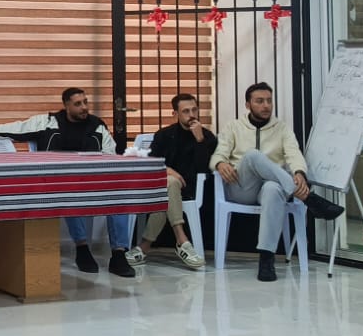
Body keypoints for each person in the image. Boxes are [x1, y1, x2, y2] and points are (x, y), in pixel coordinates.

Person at [0, 88, 135, 278]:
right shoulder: (48, 122)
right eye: (78, 104)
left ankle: (118, 254)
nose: (84, 107)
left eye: (85, 102)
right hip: (57, 182)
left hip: (91, 179)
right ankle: (82, 248)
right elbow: (19, 128)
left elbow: (110, 155)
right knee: (69, 191)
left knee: (118, 193)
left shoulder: (97, 126)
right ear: (66, 106)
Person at [210, 82, 344, 282]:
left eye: (269, 101)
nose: (266, 105)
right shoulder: (234, 127)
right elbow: (217, 154)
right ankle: (309, 198)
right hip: (242, 187)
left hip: (269, 188)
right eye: (259, 101)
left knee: (273, 188)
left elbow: (294, 154)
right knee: (253, 155)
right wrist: (220, 163)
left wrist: (299, 172)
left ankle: (266, 259)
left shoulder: (282, 128)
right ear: (248, 105)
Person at [134, 94, 213, 270]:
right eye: (186, 111)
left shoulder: (206, 136)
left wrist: (200, 141)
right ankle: (182, 240)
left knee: (168, 190)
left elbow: (204, 169)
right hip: (161, 186)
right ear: (175, 114)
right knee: (170, 183)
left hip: (191, 189)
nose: (191, 115)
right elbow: (152, 164)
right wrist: (167, 170)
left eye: (194, 110)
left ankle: (144, 247)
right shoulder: (164, 135)